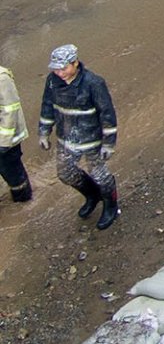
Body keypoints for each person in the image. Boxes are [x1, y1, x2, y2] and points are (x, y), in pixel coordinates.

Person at [38, 44, 118, 230]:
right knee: (65, 173)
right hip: (66, 138)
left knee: (100, 175)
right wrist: (44, 131)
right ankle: (92, 195)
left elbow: (107, 114)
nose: (60, 73)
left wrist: (108, 144)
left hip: (92, 139)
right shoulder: (52, 81)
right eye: (56, 69)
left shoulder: (93, 83)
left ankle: (111, 205)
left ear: (75, 63)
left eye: (64, 68)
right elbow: (47, 106)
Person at [0, 58, 28, 203]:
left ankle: (22, 198)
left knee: (12, 172)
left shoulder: (2, 78)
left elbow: (10, 110)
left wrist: (3, 143)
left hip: (7, 138)